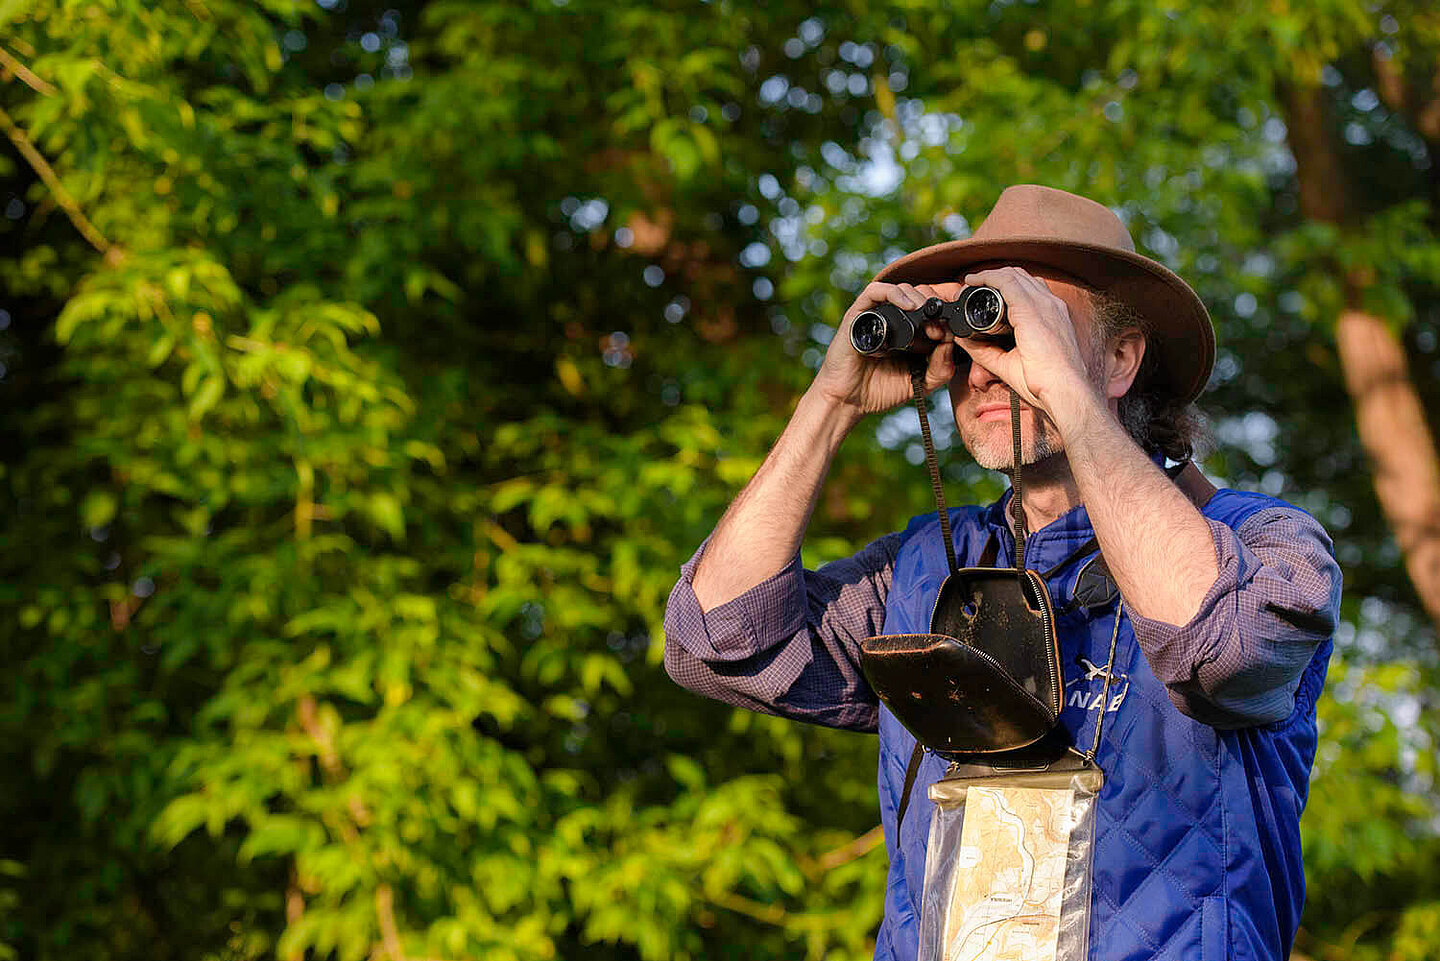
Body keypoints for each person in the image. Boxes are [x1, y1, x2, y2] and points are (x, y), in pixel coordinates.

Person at [662, 184, 1343, 960]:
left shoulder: (1263, 545)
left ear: (1121, 359)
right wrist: (831, 400)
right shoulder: (924, 568)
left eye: (1023, 327)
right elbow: (716, 640)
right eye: (973, 335)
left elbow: (1222, 647)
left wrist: (1065, 390)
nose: (985, 371)